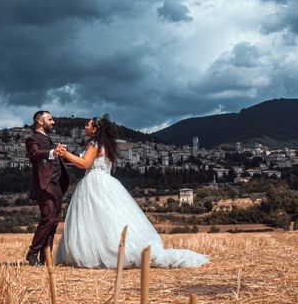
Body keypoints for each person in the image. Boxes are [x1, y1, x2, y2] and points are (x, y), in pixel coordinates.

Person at [54, 114, 209, 268]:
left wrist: (65, 153)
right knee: (109, 218)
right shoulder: (106, 145)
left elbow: (86, 163)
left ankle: (98, 254)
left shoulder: (94, 144)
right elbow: (85, 162)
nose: (85, 127)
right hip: (105, 182)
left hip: (94, 182)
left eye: (88, 125)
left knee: (95, 218)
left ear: (95, 129)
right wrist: (66, 156)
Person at [25, 110, 69, 266]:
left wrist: (61, 154)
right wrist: (52, 152)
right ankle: (32, 254)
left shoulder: (48, 138)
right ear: (40, 122)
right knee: (48, 218)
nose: (53, 122)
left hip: (57, 185)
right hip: (44, 185)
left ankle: (46, 257)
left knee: (55, 221)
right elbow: (35, 154)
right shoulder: (32, 138)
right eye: (50, 119)